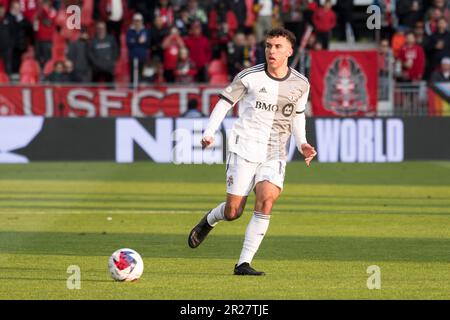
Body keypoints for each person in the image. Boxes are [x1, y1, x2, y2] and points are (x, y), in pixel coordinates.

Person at [187, 28, 317, 276]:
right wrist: (209, 131)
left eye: (278, 46)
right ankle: (210, 220)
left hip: (275, 151)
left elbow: (297, 116)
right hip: (244, 148)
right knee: (233, 211)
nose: (272, 51)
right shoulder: (249, 77)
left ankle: (242, 263)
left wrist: (302, 143)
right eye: (268, 46)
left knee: (266, 201)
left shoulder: (301, 84)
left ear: (290, 51)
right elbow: (225, 102)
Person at [126, 13, 151, 85]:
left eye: (139, 21)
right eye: (136, 21)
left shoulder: (145, 31)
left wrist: (135, 40)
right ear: (133, 21)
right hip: (133, 56)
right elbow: (129, 43)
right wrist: (138, 40)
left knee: (143, 76)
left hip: (143, 57)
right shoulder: (130, 31)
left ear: (142, 21)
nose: (137, 23)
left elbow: (147, 43)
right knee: (133, 76)